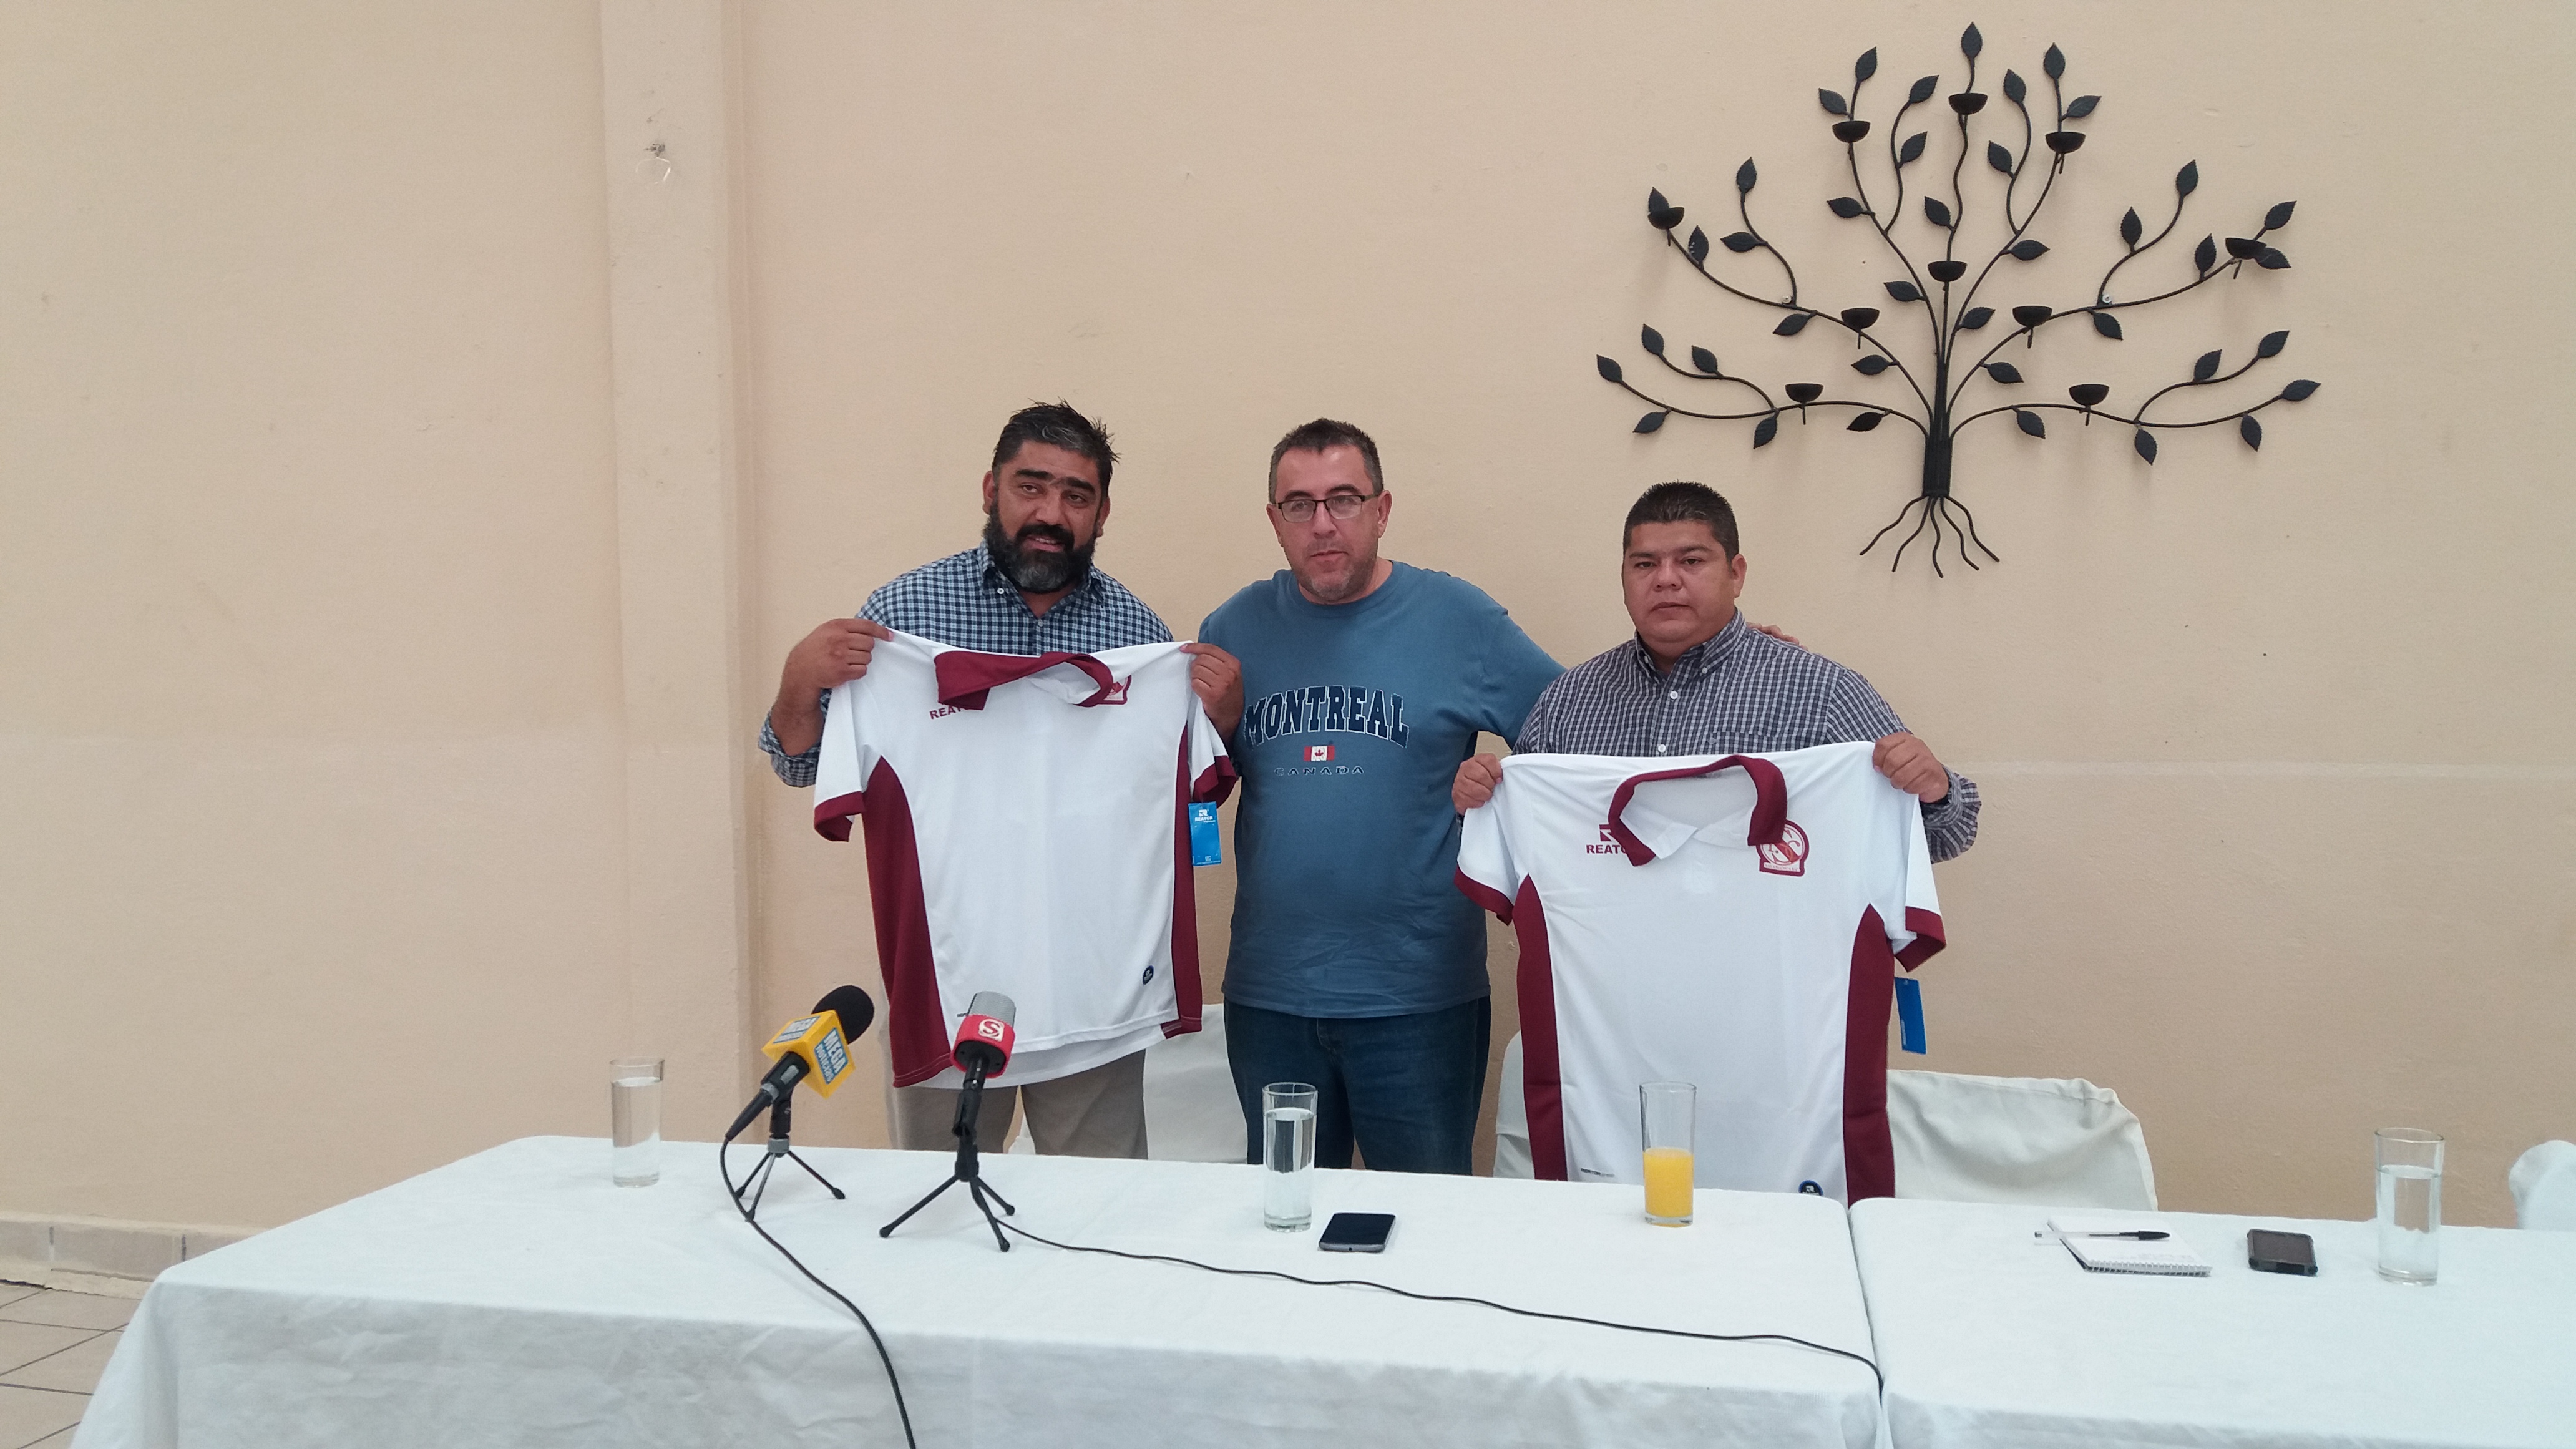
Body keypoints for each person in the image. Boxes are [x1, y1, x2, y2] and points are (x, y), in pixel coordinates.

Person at [760, 401, 1244, 1158]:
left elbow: (1183, 804)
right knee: (940, 1206)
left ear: (1102, 513)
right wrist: (800, 679)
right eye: (1031, 486)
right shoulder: (899, 619)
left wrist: (1222, 720)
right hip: (949, 983)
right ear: (991, 489)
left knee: (1096, 1208)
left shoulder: (1140, 639)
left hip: (1095, 993)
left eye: (1076, 496)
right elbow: (799, 765)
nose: (1051, 513)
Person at [1198, 419, 1564, 1176]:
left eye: (1344, 500)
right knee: (1284, 1217)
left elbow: (1582, 731)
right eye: (1299, 506)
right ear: (1274, 520)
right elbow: (1194, 791)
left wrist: (1717, 653)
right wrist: (1221, 726)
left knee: (1426, 1222)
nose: (1323, 524)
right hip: (1271, 997)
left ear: (1382, 509)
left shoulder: (1460, 620)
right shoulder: (1233, 630)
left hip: (1418, 997)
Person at [1453, 481, 1978, 862]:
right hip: (1610, 978)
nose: (1665, 580)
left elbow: (1946, 839)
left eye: (1691, 561)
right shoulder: (1570, 701)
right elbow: (1517, 844)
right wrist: (1477, 804)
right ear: (1624, 577)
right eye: (1644, 564)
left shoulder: (1821, 693)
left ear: (1736, 573)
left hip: (1770, 977)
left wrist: (1935, 790)